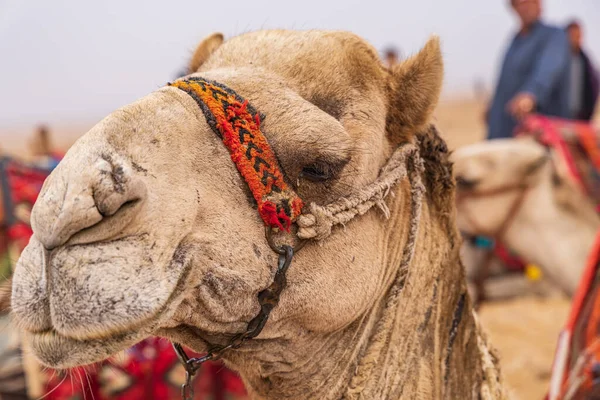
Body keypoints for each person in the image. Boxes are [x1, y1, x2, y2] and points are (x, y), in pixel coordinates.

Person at [486, 0, 571, 139]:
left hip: (540, 132)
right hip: (503, 129)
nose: (526, 7)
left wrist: (530, 94)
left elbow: (549, 68)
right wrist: (493, 106)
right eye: (520, 3)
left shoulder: (554, 35)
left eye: (530, 2)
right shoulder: (515, 40)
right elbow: (505, 80)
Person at [565, 20, 599, 121]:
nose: (576, 39)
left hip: (580, 115)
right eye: (572, 35)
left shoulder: (586, 63)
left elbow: (593, 87)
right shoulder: (557, 61)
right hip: (558, 113)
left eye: (578, 36)